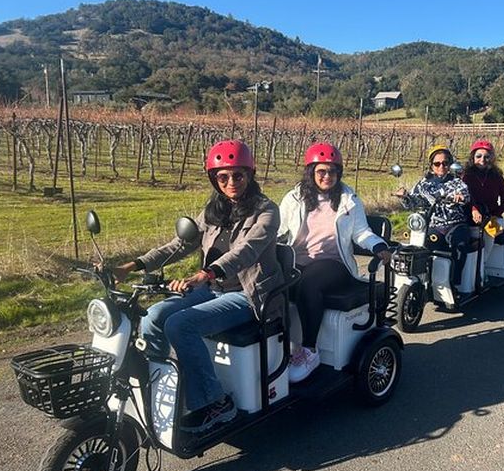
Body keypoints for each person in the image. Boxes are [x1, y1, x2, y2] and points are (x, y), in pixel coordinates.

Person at [113, 140, 283, 433]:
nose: (231, 182)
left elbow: (247, 251)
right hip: (212, 288)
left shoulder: (266, 211)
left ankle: (216, 403)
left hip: (248, 294)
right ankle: (160, 391)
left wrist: (206, 273)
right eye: (223, 177)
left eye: (238, 175)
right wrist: (134, 265)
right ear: (214, 179)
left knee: (180, 325)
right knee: (154, 316)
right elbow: (180, 244)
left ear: (250, 175)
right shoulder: (214, 210)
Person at [278, 142, 392, 383]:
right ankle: (283, 347)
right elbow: (279, 230)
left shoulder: (348, 199)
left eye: (332, 171)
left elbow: (361, 233)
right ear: (311, 172)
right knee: (274, 287)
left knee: (309, 283)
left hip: (334, 263)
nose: (327, 176)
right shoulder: (294, 197)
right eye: (321, 171)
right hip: (298, 260)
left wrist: (379, 245)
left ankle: (310, 350)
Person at [395, 144, 471, 285]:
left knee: (459, 245)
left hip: (454, 224)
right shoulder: (423, 183)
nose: (441, 166)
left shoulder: (456, 182)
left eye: (445, 163)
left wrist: (460, 197)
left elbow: (465, 196)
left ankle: (454, 283)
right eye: (437, 163)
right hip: (432, 225)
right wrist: (404, 196)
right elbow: (413, 203)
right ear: (431, 165)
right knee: (417, 247)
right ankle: (424, 280)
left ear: (450, 164)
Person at [462, 139, 504, 226]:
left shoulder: (497, 176)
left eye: (486, 157)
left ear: (491, 158)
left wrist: (495, 214)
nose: (482, 160)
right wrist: (473, 209)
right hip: (469, 216)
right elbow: (463, 197)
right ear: (472, 158)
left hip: (492, 216)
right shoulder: (466, 176)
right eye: (478, 156)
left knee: (490, 232)